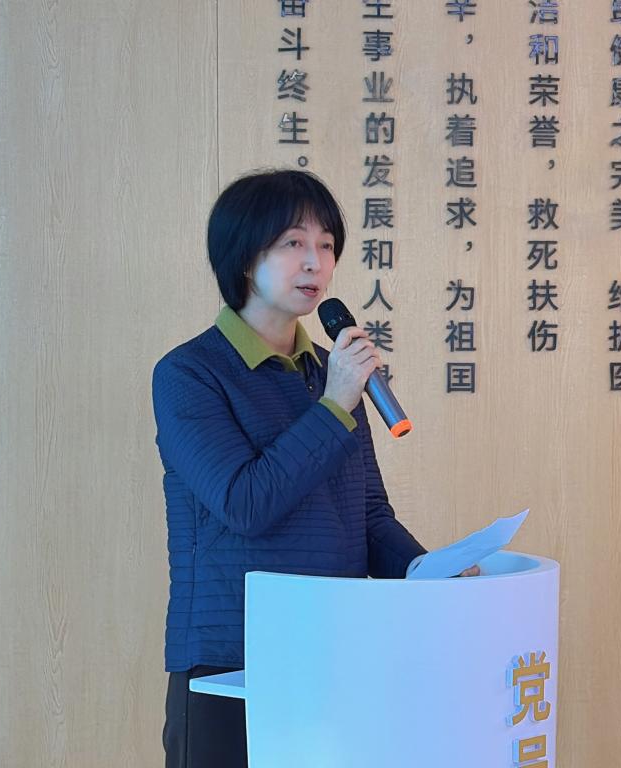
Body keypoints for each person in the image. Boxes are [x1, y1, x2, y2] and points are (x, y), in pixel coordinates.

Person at [153, 169, 476, 768]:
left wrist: (432, 576)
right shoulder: (189, 374)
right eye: (294, 243)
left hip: (335, 653)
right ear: (244, 258)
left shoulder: (332, 373)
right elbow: (244, 503)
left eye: (326, 245)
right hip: (231, 663)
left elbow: (368, 517)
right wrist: (335, 404)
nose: (316, 262)